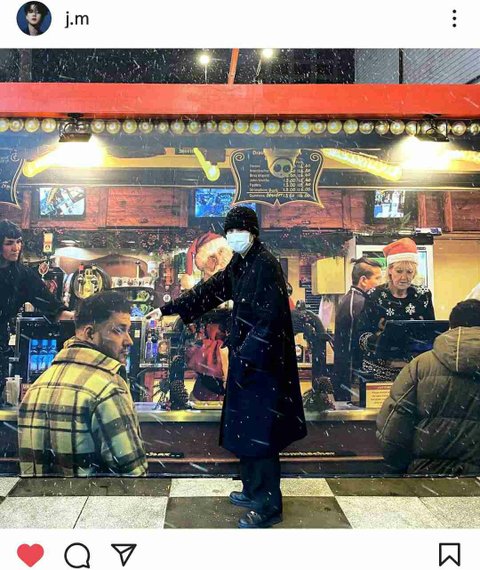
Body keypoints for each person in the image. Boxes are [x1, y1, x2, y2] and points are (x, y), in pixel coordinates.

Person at [149, 206, 306, 528]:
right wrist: (169, 309)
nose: (234, 236)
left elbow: (271, 320)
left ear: (253, 233)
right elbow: (212, 290)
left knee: (262, 435)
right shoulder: (242, 262)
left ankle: (268, 506)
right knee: (247, 430)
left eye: (240, 231)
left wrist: (247, 355)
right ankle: (251, 490)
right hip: (248, 362)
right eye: (230, 231)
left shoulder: (266, 264)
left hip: (264, 366)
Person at [18, 290, 148, 477]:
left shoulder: (36, 388)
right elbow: (135, 477)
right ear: (90, 333)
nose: (129, 341)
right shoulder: (107, 389)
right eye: (119, 330)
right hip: (92, 497)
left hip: (37, 497)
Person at [377, 299, 480, 475]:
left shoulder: (420, 365)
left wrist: (402, 466)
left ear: (450, 327)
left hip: (427, 476)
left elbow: (393, 429)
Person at [0, 220, 74, 402]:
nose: (16, 248)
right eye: (9, 243)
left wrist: (76, 318)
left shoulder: (22, 275)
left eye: (18, 242)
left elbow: (50, 304)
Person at [357, 238, 435, 382]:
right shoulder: (374, 295)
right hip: (378, 373)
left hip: (415, 372)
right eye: (399, 271)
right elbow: (361, 335)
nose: (404, 277)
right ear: (390, 271)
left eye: (409, 272)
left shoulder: (423, 296)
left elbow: (432, 332)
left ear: (415, 273)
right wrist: (380, 342)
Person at [333, 257, 383, 402]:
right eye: (377, 278)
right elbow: (357, 344)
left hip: (345, 374)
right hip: (352, 376)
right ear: (363, 280)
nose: (380, 283)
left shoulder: (350, 299)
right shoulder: (360, 302)